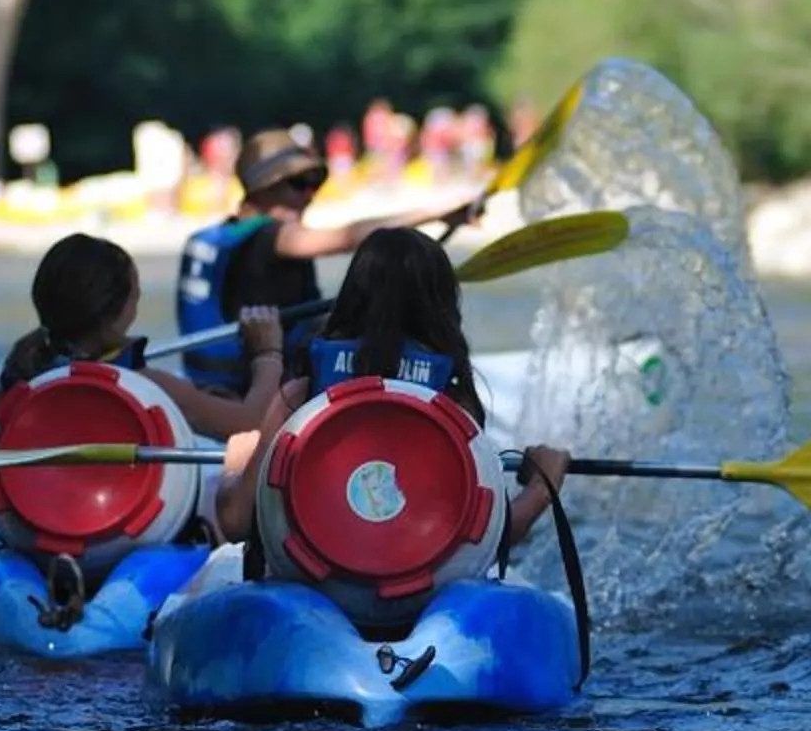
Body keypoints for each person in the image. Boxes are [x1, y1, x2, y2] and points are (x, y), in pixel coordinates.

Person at [210, 227, 571, 634]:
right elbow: (493, 536)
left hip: (316, 591)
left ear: (351, 298)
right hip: (418, 603)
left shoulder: (301, 394)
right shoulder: (453, 404)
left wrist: (234, 468)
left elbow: (238, 521)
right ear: (442, 306)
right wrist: (544, 484)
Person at [0, 234, 280, 540]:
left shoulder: (6, 397)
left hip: (38, 545)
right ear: (114, 314)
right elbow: (250, 423)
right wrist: (267, 353)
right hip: (124, 544)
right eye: (135, 298)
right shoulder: (148, 389)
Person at [172, 128, 479, 397]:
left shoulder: (214, 236)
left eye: (315, 182)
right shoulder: (276, 237)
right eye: (298, 183)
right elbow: (349, 236)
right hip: (257, 390)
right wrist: (436, 212)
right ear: (262, 187)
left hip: (209, 385)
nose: (309, 194)